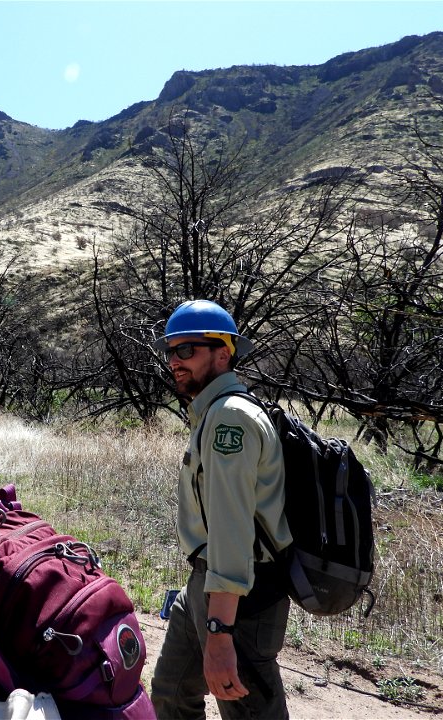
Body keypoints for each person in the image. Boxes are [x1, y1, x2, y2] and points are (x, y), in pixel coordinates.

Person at [148, 300, 293, 720]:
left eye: (186, 350)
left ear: (223, 353)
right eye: (170, 351)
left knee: (249, 712)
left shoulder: (229, 418)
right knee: (171, 694)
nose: (175, 361)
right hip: (207, 584)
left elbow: (232, 531)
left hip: (241, 599)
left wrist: (219, 632)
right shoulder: (213, 411)